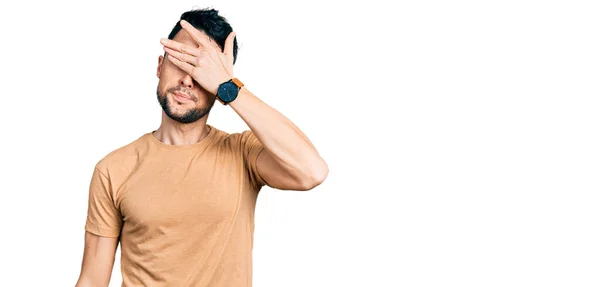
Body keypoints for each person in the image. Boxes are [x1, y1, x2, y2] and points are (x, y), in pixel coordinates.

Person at [75, 8, 328, 287]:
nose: (187, 79)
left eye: (201, 69)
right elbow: (92, 280)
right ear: (160, 66)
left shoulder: (242, 154)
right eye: (181, 62)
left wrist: (230, 89)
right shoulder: (113, 169)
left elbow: (312, 171)